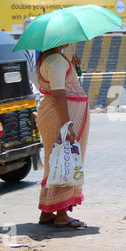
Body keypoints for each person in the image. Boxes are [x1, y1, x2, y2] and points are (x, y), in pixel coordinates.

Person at [36, 44, 90, 229]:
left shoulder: (50, 58)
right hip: (59, 117)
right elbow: (59, 94)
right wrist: (68, 125)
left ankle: (47, 212)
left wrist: (74, 68)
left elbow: (66, 85)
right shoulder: (56, 61)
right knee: (65, 160)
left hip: (53, 115)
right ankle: (61, 215)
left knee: (55, 161)